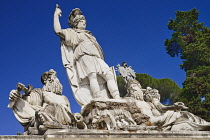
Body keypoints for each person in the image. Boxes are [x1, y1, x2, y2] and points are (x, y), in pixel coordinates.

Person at [53, 5, 120, 106]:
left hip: (96, 57)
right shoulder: (73, 33)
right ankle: (98, 97)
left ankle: (117, 97)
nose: (84, 23)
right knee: (92, 76)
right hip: (84, 56)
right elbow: (58, 31)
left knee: (109, 74)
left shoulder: (89, 34)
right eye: (82, 21)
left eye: (84, 21)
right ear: (76, 23)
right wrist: (56, 15)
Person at [127, 81, 210, 131]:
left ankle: (205, 124)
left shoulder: (149, 102)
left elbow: (162, 108)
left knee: (185, 114)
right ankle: (205, 125)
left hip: (159, 119)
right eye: (130, 88)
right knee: (183, 115)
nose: (133, 89)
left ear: (141, 89)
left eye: (135, 86)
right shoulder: (129, 100)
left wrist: (174, 107)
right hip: (149, 121)